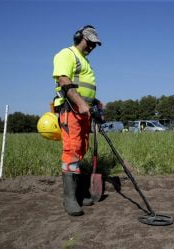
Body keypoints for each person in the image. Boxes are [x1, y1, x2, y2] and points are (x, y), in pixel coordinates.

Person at [52, 25, 102, 216]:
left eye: (94, 44)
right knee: (71, 150)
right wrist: (81, 103)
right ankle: (69, 199)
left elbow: (84, 86)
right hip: (70, 109)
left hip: (84, 111)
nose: (91, 46)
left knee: (81, 149)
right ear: (79, 38)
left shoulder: (85, 61)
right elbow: (64, 81)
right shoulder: (67, 54)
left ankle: (80, 193)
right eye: (89, 42)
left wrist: (95, 102)